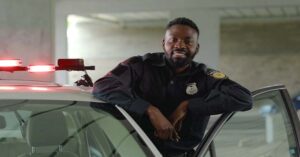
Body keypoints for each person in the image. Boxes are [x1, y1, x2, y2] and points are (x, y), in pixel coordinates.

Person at [93, 17, 252, 157]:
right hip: (134, 152)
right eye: (173, 39)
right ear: (164, 43)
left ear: (197, 48)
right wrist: (149, 110)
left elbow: (244, 97)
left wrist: (189, 106)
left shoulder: (204, 76)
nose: (180, 45)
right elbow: (102, 86)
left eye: (188, 41)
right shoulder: (140, 66)